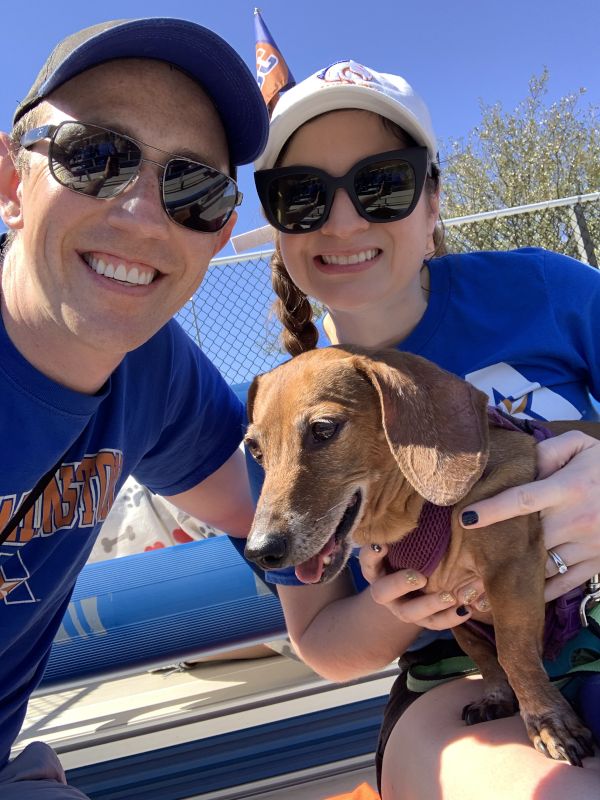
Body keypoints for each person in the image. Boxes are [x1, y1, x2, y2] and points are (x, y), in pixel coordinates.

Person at [252, 60, 600, 798]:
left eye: (382, 183)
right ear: (278, 225)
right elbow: (325, 646)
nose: (343, 221)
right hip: (464, 681)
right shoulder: (280, 417)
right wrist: (395, 605)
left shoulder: (545, 289)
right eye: (302, 196)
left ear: (433, 199)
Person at [0, 17, 268, 798]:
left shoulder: (152, 370)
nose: (146, 216)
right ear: (14, 185)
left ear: (219, 235)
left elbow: (264, 507)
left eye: (194, 189)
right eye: (96, 157)